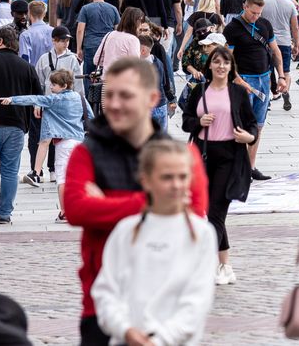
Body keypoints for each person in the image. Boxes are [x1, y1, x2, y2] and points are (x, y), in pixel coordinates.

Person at [63, 57, 209, 346]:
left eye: (125, 95)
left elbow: (193, 211)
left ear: (151, 98)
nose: (114, 104)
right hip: (103, 304)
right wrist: (154, 202)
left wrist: (107, 202)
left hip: (167, 307)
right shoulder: (87, 151)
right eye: (109, 94)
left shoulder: (181, 157)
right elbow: (76, 209)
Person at [90, 139, 217, 346]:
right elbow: (106, 292)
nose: (176, 185)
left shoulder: (201, 234)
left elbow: (197, 301)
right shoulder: (126, 231)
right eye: (167, 178)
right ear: (146, 180)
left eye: (182, 177)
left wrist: (159, 340)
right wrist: (125, 329)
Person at [180, 46, 258, 285]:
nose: (221, 66)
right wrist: (198, 122)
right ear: (210, 65)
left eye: (225, 62)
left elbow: (252, 124)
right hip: (202, 156)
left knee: (215, 212)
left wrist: (249, 137)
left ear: (231, 66)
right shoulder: (200, 91)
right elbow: (185, 122)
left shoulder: (237, 92)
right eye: (217, 62)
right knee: (207, 211)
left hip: (229, 156)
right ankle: (225, 266)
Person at [0, 27, 44, 221]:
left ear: (1, 41)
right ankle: (5, 214)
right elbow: (37, 97)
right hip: (16, 126)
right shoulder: (26, 67)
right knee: (10, 171)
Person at [5, 68, 85, 222]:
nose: (51, 87)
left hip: (63, 144)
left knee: (62, 179)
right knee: (77, 178)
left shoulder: (54, 99)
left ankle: (65, 212)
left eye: (54, 85)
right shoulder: (79, 97)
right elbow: (89, 115)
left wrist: (12, 99)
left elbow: (33, 99)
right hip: (79, 142)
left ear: (64, 86)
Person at [223, 0, 288, 181]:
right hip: (244, 80)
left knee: (257, 126)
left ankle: (251, 167)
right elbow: (228, 59)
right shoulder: (232, 28)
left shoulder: (264, 25)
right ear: (245, 7)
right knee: (242, 126)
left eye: (259, 13)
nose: (256, 17)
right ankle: (240, 167)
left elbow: (275, 51)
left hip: (264, 79)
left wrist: (281, 76)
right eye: (253, 13)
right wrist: (236, 79)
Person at [262, 0, 299, 111]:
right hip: (284, 41)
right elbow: (295, 27)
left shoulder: (264, 3)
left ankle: (268, 98)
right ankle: (285, 91)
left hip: (267, 42)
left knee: (267, 71)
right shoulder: (289, 4)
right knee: (286, 71)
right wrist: (296, 44)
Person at [77, 0, 122, 79]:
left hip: (91, 44)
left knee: (89, 75)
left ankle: (90, 93)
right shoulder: (113, 9)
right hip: (108, 44)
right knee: (107, 74)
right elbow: (118, 29)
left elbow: (80, 30)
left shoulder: (85, 9)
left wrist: (79, 48)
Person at [94, 7, 143, 76]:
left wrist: (109, 63)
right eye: (140, 21)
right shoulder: (133, 40)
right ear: (136, 21)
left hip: (107, 79)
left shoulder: (109, 35)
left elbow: (96, 59)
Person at [18, 0, 54, 64]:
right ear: (44, 14)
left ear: (29, 13)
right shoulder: (54, 31)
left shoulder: (25, 35)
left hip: (33, 71)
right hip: (53, 71)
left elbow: (24, 57)